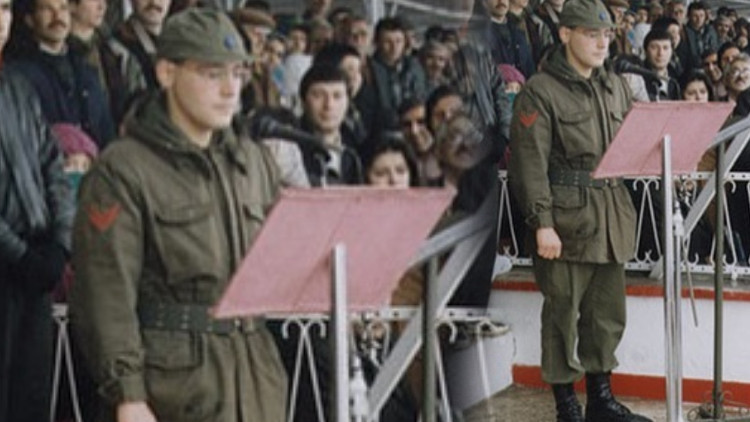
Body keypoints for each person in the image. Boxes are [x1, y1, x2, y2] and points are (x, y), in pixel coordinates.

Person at [69, 9, 287, 422]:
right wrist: (127, 393)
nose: (230, 89)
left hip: (254, 380)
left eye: (237, 73)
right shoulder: (125, 169)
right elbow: (104, 291)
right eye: (211, 74)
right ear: (167, 73)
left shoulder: (253, 163)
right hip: (174, 391)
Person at [507, 0, 653, 421]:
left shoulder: (616, 87)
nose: (602, 43)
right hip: (566, 221)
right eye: (592, 34)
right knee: (562, 316)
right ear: (565, 34)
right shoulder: (541, 91)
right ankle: (566, 404)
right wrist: (542, 223)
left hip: (609, 217)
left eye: (606, 35)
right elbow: (528, 164)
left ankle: (601, 400)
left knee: (606, 315)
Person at [0, 1, 75, 420]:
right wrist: (21, 255)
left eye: (4, 8)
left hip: (36, 271)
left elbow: (53, 165)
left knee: (31, 401)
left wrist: (60, 243)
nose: (0, 21)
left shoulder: (18, 85)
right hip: (13, 264)